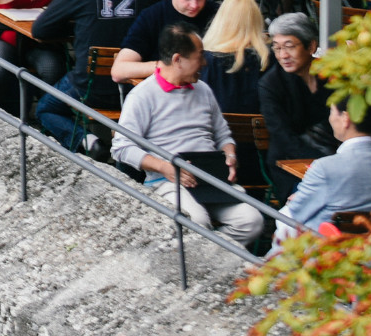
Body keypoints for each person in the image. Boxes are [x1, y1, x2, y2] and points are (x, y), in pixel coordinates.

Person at [112, 25, 263, 245]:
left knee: (252, 221)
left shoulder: (203, 89)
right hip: (167, 179)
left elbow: (223, 135)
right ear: (177, 59)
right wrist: (166, 167)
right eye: (199, 56)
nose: (204, 63)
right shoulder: (142, 96)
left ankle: (212, 262)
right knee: (197, 223)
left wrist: (229, 156)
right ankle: (212, 263)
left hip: (210, 177)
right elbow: (121, 148)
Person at [31, 0, 163, 155]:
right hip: (137, 87)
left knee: (45, 109)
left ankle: (88, 141)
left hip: (89, 87)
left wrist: (81, 26)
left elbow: (40, 29)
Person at [274, 97, 371, 241]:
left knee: (285, 219)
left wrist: (296, 201)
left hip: (329, 252)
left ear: (345, 118)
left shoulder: (324, 167)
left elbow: (290, 217)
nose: (330, 119)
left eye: (332, 112)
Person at [258, 13, 337, 201]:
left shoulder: (329, 74)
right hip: (290, 163)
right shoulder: (271, 84)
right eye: (276, 48)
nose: (283, 55)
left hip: (334, 158)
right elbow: (282, 136)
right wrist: (321, 164)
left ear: (311, 46)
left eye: (289, 47)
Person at [110, 0, 212, 85]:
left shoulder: (217, 14)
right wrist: (168, 66)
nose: (194, 5)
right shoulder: (152, 16)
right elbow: (119, 71)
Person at [198, 0, 270, 114]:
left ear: (220, 20)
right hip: (261, 130)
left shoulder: (205, 60)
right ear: (256, 20)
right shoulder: (267, 58)